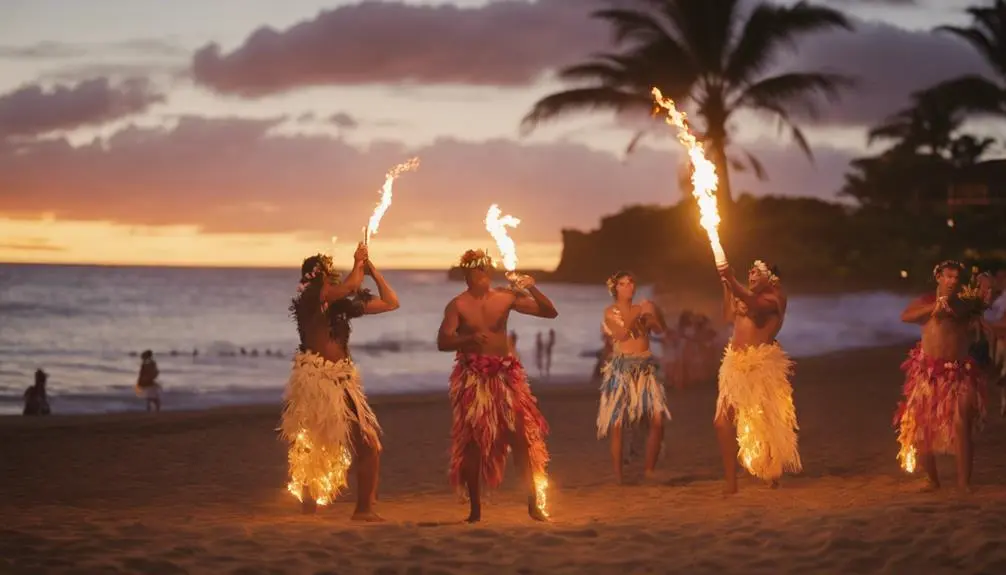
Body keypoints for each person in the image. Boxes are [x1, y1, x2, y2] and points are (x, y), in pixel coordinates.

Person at [437, 249, 558, 523]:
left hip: (505, 377)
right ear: (467, 274)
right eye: (476, 271)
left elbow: (550, 312)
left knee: (520, 439)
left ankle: (533, 505)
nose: (482, 275)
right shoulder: (457, 305)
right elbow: (443, 342)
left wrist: (531, 287)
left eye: (484, 270)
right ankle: (475, 511)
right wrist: (467, 340)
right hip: (473, 379)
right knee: (473, 445)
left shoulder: (505, 297)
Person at [279, 243, 400, 519]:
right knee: (313, 447)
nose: (334, 276)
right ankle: (313, 511)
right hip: (316, 381)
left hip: (342, 381)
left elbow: (391, 302)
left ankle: (362, 510)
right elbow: (349, 286)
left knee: (366, 444)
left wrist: (373, 272)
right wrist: (358, 263)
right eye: (329, 272)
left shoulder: (340, 306)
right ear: (317, 276)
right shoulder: (311, 297)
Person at [895, 260, 987, 491]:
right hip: (928, 374)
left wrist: (979, 295)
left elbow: (975, 310)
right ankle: (932, 480)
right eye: (948, 276)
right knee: (921, 427)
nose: (952, 281)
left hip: (959, 373)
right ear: (939, 277)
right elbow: (905, 316)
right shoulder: (925, 301)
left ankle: (963, 483)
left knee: (961, 424)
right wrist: (933, 308)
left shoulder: (965, 304)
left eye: (956, 277)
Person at [715, 260, 801, 494]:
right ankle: (731, 484)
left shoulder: (775, 299)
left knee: (765, 422)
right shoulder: (744, 295)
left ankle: (772, 473)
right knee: (721, 422)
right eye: (749, 272)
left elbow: (755, 305)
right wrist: (726, 285)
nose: (751, 275)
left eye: (757, 272)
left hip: (761, 366)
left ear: (771, 278)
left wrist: (732, 280)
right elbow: (728, 317)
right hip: (735, 364)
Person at [597, 271, 670, 483]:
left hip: (646, 368)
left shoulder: (643, 309)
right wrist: (639, 311)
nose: (629, 286)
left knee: (657, 419)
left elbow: (660, 330)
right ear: (615, 289)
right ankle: (619, 475)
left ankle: (649, 470)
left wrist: (654, 312)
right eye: (623, 284)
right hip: (621, 369)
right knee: (617, 425)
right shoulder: (610, 311)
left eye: (631, 282)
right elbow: (621, 334)